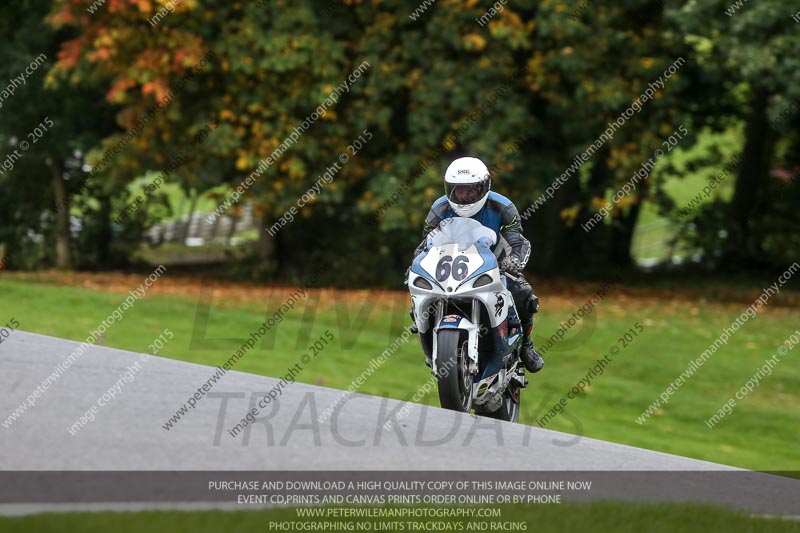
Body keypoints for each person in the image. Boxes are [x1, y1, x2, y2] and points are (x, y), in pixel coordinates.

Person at [413, 156, 543, 373]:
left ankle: (526, 346)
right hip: (449, 268)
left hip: (495, 267)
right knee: (419, 290)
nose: (464, 196)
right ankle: (430, 337)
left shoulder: (503, 206)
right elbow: (426, 244)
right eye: (458, 190)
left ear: (484, 187)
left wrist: (514, 262)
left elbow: (517, 241)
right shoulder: (438, 208)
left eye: (471, 190)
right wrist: (415, 264)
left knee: (524, 294)